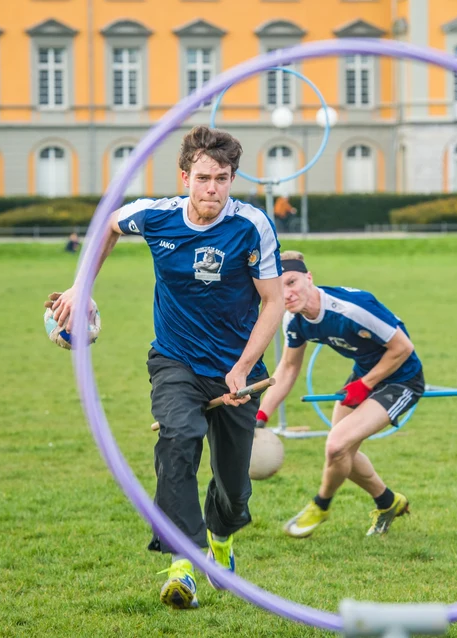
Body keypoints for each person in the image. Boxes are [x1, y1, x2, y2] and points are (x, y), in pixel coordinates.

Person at [49, 126, 284, 609]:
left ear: (232, 179)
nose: (212, 189)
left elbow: (274, 301)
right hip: (175, 360)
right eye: (203, 178)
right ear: (184, 178)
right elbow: (109, 224)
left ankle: (221, 539)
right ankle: (183, 565)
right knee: (178, 440)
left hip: (237, 370)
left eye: (222, 178)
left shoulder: (252, 225)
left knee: (234, 488)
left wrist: (243, 367)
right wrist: (80, 286)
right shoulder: (157, 216)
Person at [256, 250, 424, 538]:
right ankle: (388, 502)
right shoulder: (293, 320)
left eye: (292, 282)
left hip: (402, 379)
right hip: (364, 376)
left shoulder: (352, 309)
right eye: (278, 288)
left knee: (336, 446)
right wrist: (261, 416)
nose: (287, 294)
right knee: (342, 451)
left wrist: (365, 384)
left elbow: (403, 348)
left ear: (309, 278)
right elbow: (288, 368)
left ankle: (320, 505)